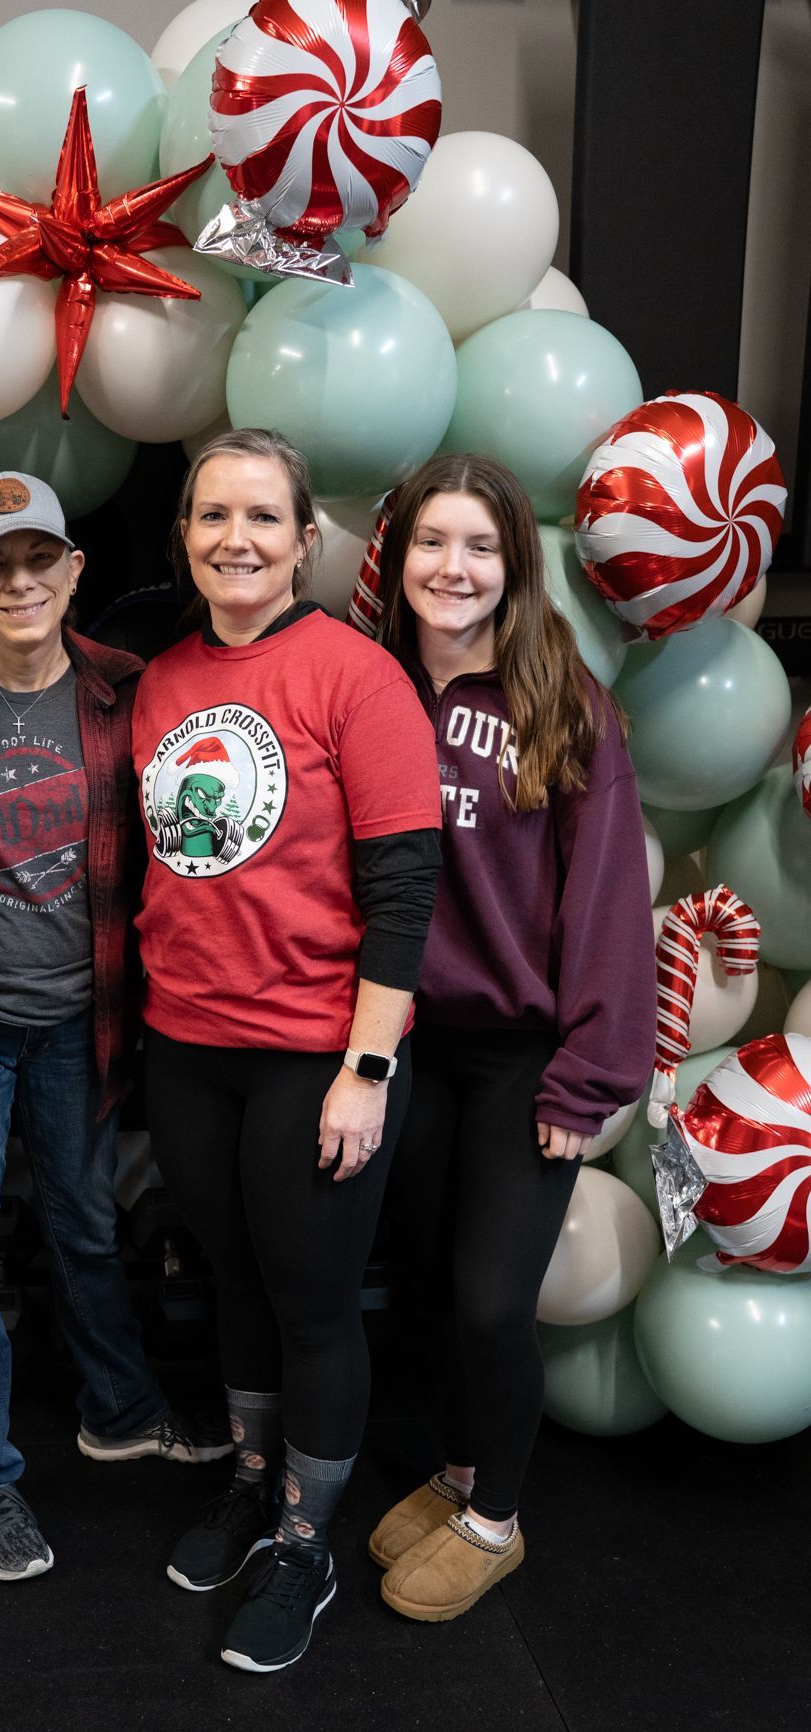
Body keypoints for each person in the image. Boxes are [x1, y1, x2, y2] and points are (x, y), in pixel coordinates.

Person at [0, 470, 229, 1588]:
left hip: (84, 1019)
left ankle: (118, 1412)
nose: (18, 582)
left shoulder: (130, 691)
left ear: (74, 571)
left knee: (85, 1227)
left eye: (37, 560)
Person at [132, 428, 443, 1673]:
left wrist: (365, 1072)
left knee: (312, 1304)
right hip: (186, 1046)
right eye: (212, 515)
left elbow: (404, 892)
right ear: (184, 536)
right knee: (235, 1285)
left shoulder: (358, 678)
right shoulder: (160, 681)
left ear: (305, 539)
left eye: (262, 517)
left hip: (317, 1053)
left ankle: (306, 1544)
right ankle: (254, 1481)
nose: (236, 539)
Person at [367, 452, 656, 1622]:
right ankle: (457, 1471)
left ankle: (496, 1520)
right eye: (431, 542)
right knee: (430, 1288)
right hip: (400, 1044)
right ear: (398, 560)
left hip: (517, 1056)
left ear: (513, 566)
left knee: (493, 1301)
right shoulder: (369, 684)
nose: (453, 567)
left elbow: (605, 904)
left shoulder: (559, 700)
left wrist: (585, 1080)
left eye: (479, 547)